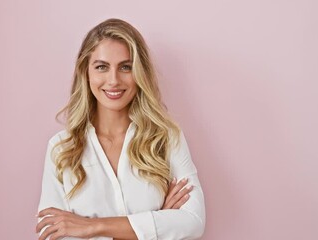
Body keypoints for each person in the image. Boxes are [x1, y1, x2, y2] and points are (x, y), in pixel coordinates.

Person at [36, 18, 205, 240]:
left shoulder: (166, 138)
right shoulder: (61, 149)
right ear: (85, 72)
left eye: (126, 67)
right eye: (101, 67)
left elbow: (193, 222)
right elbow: (51, 233)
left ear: (139, 72)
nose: (113, 80)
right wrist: (156, 222)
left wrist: (91, 227)